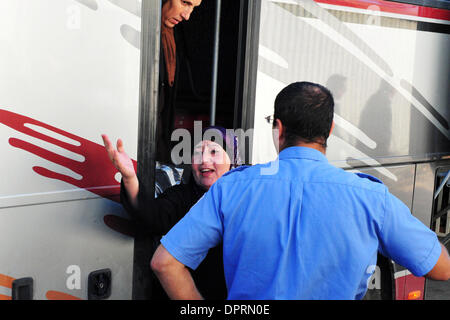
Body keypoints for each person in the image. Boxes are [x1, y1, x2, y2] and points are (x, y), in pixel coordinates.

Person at [150, 81, 450, 300]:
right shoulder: (371, 197)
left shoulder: (231, 187)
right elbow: (441, 269)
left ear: (278, 129)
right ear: (329, 130)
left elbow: (165, 263)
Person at [102, 126, 240, 300]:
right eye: (198, 152)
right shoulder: (180, 197)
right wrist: (129, 177)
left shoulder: (246, 199)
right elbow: (150, 215)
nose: (204, 160)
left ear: (232, 160)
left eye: (214, 152)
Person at [158, 0, 202, 163]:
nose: (187, 15)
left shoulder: (174, 36)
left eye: (192, 8)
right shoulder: (140, 32)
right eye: (185, 2)